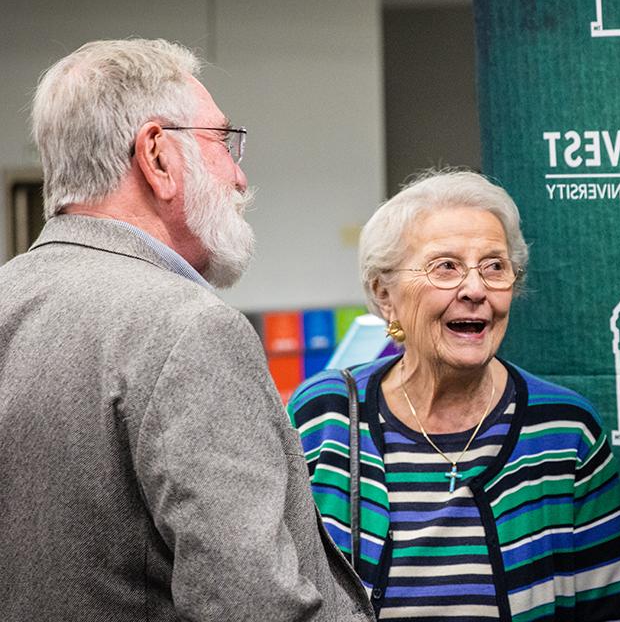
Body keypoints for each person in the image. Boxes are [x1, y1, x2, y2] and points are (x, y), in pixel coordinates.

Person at [0, 39, 373, 621]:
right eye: (225, 141)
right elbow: (249, 605)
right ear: (157, 157)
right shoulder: (187, 329)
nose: (241, 177)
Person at [287, 170, 620, 621]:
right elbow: (274, 590)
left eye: (494, 266)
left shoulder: (563, 429)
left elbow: (612, 610)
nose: (475, 290)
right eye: (446, 267)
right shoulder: (324, 416)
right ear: (384, 295)